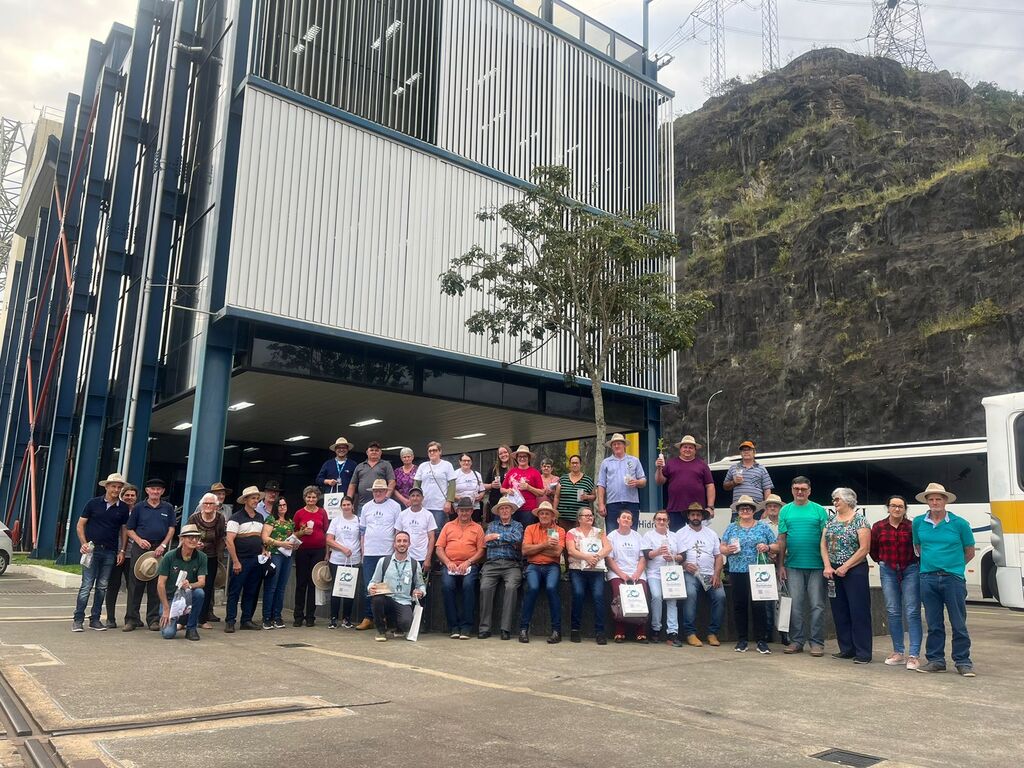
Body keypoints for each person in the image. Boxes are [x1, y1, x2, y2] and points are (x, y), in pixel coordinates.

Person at [912, 483, 976, 676]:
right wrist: (930, 566)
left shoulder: (960, 523)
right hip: (928, 578)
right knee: (933, 623)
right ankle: (936, 660)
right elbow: (918, 546)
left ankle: (963, 661)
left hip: (953, 578)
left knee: (958, 622)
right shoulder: (918, 522)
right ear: (926, 501)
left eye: (938, 498)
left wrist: (954, 567)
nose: (934, 502)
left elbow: (970, 552)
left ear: (945, 501)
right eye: (930, 499)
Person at [776, 476, 829, 656]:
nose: (800, 492)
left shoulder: (819, 511)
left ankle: (816, 642)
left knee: (817, 605)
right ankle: (796, 641)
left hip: (817, 566)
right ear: (792, 490)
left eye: (803, 489)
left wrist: (827, 564)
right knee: (796, 605)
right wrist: (780, 565)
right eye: (797, 488)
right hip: (793, 566)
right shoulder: (785, 511)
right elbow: (782, 540)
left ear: (809, 491)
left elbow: (826, 539)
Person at [72, 472, 129, 632]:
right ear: (106, 486)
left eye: (119, 487)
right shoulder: (93, 504)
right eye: (113, 486)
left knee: (102, 586)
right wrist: (83, 544)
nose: (116, 490)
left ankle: (95, 619)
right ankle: (78, 619)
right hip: (91, 549)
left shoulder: (123, 508)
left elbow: (124, 530)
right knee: (86, 585)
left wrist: (122, 550)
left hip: (110, 551)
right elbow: (80, 525)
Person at [870, 495, 921, 670]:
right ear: (888, 507)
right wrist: (882, 562)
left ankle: (914, 655)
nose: (897, 509)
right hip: (888, 570)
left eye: (900, 506)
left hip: (910, 569)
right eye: (893, 506)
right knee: (892, 611)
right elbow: (873, 550)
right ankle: (898, 652)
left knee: (912, 611)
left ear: (905, 509)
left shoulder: (912, 526)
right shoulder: (878, 527)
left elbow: (918, 547)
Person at [822, 487, 872, 663]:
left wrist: (846, 566)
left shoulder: (860, 521)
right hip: (834, 570)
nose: (834, 503)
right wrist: (827, 565)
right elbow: (823, 544)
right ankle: (846, 648)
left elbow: (864, 548)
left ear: (848, 500)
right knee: (839, 610)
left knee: (859, 610)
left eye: (837, 499)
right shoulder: (831, 520)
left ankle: (863, 652)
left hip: (855, 570)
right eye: (834, 500)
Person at [721, 495, 777, 654]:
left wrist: (767, 547)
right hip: (737, 571)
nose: (745, 510)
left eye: (748, 508)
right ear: (738, 511)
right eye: (742, 508)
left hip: (758, 571)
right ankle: (742, 639)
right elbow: (722, 548)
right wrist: (728, 550)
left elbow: (776, 545)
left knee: (759, 605)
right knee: (739, 605)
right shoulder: (732, 527)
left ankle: (761, 640)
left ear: (754, 510)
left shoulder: (763, 527)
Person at [123, 478, 176, 632]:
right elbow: (129, 529)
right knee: (135, 585)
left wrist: (164, 545)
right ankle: (131, 620)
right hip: (140, 548)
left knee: (156, 585)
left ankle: (153, 619)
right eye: (152, 489)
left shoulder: (168, 508)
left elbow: (172, 528)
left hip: (159, 548)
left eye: (158, 489)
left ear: (162, 492)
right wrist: (139, 541)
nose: (155, 492)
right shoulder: (139, 507)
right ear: (147, 491)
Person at [436, 497, 486, 638]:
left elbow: (481, 550)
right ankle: (453, 627)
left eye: (467, 510)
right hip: (450, 564)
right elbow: (439, 548)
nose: (464, 513)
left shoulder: (477, 528)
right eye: (461, 510)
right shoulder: (448, 526)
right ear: (457, 511)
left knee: (469, 585)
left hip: (469, 565)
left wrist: (468, 562)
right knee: (446, 585)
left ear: (472, 511)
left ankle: (466, 626)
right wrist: (447, 562)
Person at [677, 503, 725, 647]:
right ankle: (690, 633)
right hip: (689, 573)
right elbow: (676, 557)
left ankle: (713, 633)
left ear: (703, 516)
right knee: (690, 593)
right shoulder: (680, 534)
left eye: (698, 514)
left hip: (709, 574)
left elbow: (718, 556)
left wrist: (717, 574)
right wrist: (684, 565)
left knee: (720, 596)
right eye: (693, 514)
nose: (696, 517)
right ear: (688, 516)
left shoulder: (711, 534)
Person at [357, 478, 402, 630]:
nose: (378, 493)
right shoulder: (366, 507)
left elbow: (397, 530)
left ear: (386, 491)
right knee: (369, 585)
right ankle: (369, 617)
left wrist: (395, 549)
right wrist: (363, 550)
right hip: (370, 552)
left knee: (387, 586)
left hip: (387, 552)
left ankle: (386, 619)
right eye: (375, 491)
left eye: (381, 490)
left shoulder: (395, 506)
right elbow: (362, 531)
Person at [478, 495, 524, 640]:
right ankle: (484, 628)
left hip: (512, 564)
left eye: (507, 508)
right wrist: (505, 539)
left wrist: (497, 537)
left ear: (512, 510)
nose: (504, 511)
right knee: (485, 587)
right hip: (492, 564)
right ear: (498, 512)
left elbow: (517, 539)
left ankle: (506, 628)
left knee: (511, 588)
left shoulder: (518, 525)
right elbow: (487, 542)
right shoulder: (491, 525)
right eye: (502, 508)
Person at [518, 501, 565, 643]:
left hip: (552, 566)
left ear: (552, 516)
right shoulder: (530, 528)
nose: (544, 515)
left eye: (547, 513)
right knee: (532, 588)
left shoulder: (559, 530)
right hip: (533, 565)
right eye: (542, 513)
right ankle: (523, 629)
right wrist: (545, 545)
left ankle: (557, 630)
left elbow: (557, 552)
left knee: (551, 588)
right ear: (538, 515)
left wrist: (536, 547)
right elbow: (525, 551)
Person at [368, 531, 427, 641]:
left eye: (405, 541)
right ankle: (381, 631)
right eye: (399, 541)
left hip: (404, 601)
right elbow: (373, 581)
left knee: (406, 624)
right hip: (387, 599)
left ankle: (397, 627)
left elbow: (421, 585)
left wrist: (421, 592)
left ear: (409, 544)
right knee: (377, 599)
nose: (402, 544)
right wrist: (370, 588)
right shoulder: (384, 561)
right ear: (394, 544)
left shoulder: (415, 564)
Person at [564, 507, 610, 644]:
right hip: (577, 569)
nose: (590, 517)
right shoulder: (571, 533)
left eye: (591, 515)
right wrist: (587, 557)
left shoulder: (599, 531)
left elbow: (608, 548)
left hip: (596, 570)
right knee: (578, 594)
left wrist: (596, 557)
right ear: (579, 519)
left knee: (599, 596)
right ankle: (575, 630)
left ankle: (600, 632)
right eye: (586, 515)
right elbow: (571, 551)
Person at [224, 486, 266, 632]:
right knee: (235, 591)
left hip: (256, 559)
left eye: (257, 498)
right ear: (245, 500)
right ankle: (230, 620)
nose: (256, 501)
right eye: (253, 498)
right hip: (241, 559)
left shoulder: (260, 517)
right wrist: (235, 561)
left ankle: (246, 620)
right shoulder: (235, 517)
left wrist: (264, 551)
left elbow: (261, 538)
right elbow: (229, 541)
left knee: (251, 591)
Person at [156, 524, 207, 641]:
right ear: (182, 539)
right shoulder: (169, 556)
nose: (193, 540)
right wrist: (166, 608)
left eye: (196, 537)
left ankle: (191, 628)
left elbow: (202, 582)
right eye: (190, 537)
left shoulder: (202, 557)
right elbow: (160, 584)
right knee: (168, 634)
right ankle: (170, 618)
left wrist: (190, 585)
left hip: (187, 596)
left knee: (199, 593)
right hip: (171, 598)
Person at [655, 435, 716, 531]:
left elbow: (710, 485)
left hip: (696, 510)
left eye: (691, 447)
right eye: (685, 447)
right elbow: (659, 481)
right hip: (675, 509)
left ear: (695, 450)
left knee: (696, 537)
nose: (687, 449)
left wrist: (710, 507)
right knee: (675, 539)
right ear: (680, 449)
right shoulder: (671, 463)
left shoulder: (702, 465)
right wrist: (659, 469)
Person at [642, 510, 685, 646]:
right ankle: (656, 628)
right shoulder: (648, 535)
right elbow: (647, 554)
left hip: (671, 573)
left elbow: (683, 556)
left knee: (672, 600)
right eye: (659, 519)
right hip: (654, 572)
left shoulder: (675, 536)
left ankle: (673, 632)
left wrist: (673, 557)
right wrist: (658, 551)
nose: (661, 522)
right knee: (656, 596)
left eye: (664, 519)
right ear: (654, 521)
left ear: (668, 522)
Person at [606, 510, 649, 642]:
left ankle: (640, 631)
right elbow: (609, 560)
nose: (626, 520)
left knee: (642, 593)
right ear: (618, 520)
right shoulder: (611, 536)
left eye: (629, 518)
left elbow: (643, 558)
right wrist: (622, 575)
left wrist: (636, 574)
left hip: (636, 572)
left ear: (632, 522)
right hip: (617, 572)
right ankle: (619, 631)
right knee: (619, 595)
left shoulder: (638, 536)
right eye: (623, 517)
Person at [186, 492, 226, 629]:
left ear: (216, 506)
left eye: (211, 504)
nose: (208, 506)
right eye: (206, 503)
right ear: (202, 505)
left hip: (211, 558)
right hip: (193, 556)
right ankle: (185, 618)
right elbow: (186, 535)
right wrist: (194, 545)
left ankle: (202, 619)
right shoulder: (194, 518)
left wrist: (219, 554)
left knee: (208, 588)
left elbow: (221, 538)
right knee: (189, 586)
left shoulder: (220, 518)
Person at [292, 485, 329, 627]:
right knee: (301, 583)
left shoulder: (322, 513)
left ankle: (310, 616)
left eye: (314, 497)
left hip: (318, 551)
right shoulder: (299, 513)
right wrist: (302, 533)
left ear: (317, 498)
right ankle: (298, 615)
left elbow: (326, 533)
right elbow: (293, 534)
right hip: (302, 551)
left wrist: (327, 553)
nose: (311, 499)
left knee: (314, 583)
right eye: (309, 497)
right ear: (304, 498)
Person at [261, 495, 297, 629]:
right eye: (280, 505)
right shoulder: (271, 520)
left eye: (284, 505)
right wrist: (281, 543)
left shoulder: (289, 521)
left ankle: (277, 616)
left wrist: (294, 544)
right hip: (275, 554)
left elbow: (291, 538)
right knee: (271, 587)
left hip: (287, 555)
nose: (282, 507)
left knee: (281, 588)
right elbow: (265, 538)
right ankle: (267, 617)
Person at [596, 433, 646, 530]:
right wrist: (601, 504)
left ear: (624, 445)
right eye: (614, 444)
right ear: (611, 447)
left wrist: (637, 482)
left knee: (632, 531)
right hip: (612, 503)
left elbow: (643, 480)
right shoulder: (605, 462)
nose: (616, 446)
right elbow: (601, 484)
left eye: (619, 443)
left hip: (632, 502)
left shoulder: (634, 460)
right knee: (611, 533)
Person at [325, 496, 361, 628]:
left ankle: (347, 619)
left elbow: (361, 539)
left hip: (353, 560)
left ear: (352, 506)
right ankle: (333, 618)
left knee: (349, 590)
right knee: (337, 589)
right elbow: (329, 539)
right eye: (344, 505)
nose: (346, 507)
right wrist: (343, 549)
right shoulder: (336, 521)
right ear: (341, 507)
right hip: (337, 559)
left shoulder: (358, 520)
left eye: (348, 504)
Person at [105, 483, 138, 628]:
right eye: (127, 495)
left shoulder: (140, 511)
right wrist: (120, 551)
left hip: (134, 554)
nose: (129, 498)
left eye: (132, 495)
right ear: (121, 496)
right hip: (116, 553)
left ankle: (131, 618)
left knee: (133, 587)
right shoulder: (116, 510)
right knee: (113, 585)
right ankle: (110, 618)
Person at [759, 493, 786, 644]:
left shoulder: (786, 522)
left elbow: (790, 542)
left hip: (785, 564)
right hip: (767, 564)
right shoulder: (761, 524)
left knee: (784, 600)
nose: (772, 508)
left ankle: (784, 633)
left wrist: (782, 555)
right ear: (766, 508)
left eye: (775, 505)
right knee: (768, 599)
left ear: (780, 508)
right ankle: (768, 631)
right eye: (769, 506)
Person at [414, 441, 456, 533]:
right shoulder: (422, 466)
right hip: (424, 505)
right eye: (430, 451)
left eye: (435, 450)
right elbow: (416, 484)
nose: (432, 452)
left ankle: (436, 548)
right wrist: (416, 500)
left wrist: (449, 502)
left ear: (440, 452)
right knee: (423, 530)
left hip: (440, 506)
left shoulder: (447, 465)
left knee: (437, 531)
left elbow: (452, 485)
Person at [722, 440, 774, 509]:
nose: (746, 452)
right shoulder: (733, 467)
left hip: (757, 509)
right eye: (743, 450)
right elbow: (725, 486)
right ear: (741, 453)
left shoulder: (761, 469)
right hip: (738, 509)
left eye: (749, 450)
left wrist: (766, 509)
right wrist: (734, 482)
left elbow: (767, 490)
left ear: (754, 452)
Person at [502, 445, 545, 527]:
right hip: (512, 509)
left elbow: (542, 492)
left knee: (526, 533)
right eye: (520, 456)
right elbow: (502, 489)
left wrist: (528, 487)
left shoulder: (535, 472)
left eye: (524, 456)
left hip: (528, 510)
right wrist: (507, 491)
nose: (522, 458)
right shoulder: (511, 471)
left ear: (528, 458)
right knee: (512, 532)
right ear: (516, 458)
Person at [348, 441, 396, 511]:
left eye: (376, 450)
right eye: (372, 450)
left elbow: (392, 482)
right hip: (362, 504)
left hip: (381, 504)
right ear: (367, 452)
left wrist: (386, 497)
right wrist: (348, 500)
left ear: (380, 452)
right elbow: (352, 485)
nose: (374, 452)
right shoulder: (359, 466)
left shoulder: (386, 464)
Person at [554, 454, 596, 532]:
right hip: (563, 517)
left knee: (579, 540)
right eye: (573, 463)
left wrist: (586, 497)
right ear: (570, 465)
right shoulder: (563, 479)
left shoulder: (587, 480)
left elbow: (594, 496)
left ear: (580, 464)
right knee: (564, 539)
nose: (575, 465)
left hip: (580, 518)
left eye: (576, 463)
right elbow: (557, 496)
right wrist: (554, 512)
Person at [453, 454, 486, 523]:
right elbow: (449, 493)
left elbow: (482, 490)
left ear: (471, 462)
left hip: (474, 507)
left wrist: (480, 496)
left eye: (468, 461)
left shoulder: (477, 474)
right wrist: (460, 498)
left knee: (474, 528)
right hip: (459, 508)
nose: (466, 462)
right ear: (460, 462)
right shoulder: (454, 474)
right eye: (464, 460)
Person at [485, 444, 514, 522]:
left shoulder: (516, 467)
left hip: (513, 504)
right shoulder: (494, 468)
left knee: (512, 526)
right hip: (496, 504)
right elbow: (484, 486)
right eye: (500, 454)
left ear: (509, 453)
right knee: (497, 527)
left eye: (505, 452)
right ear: (498, 456)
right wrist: (491, 485)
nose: (503, 455)